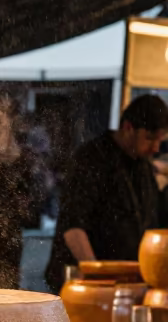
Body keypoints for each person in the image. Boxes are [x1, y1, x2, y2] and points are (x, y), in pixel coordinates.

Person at [46, 94, 168, 291]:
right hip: (86, 284)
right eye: (149, 138)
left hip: (127, 282)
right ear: (128, 128)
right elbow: (73, 227)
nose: (155, 147)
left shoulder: (142, 165)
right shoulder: (91, 159)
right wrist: (96, 276)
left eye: (160, 141)